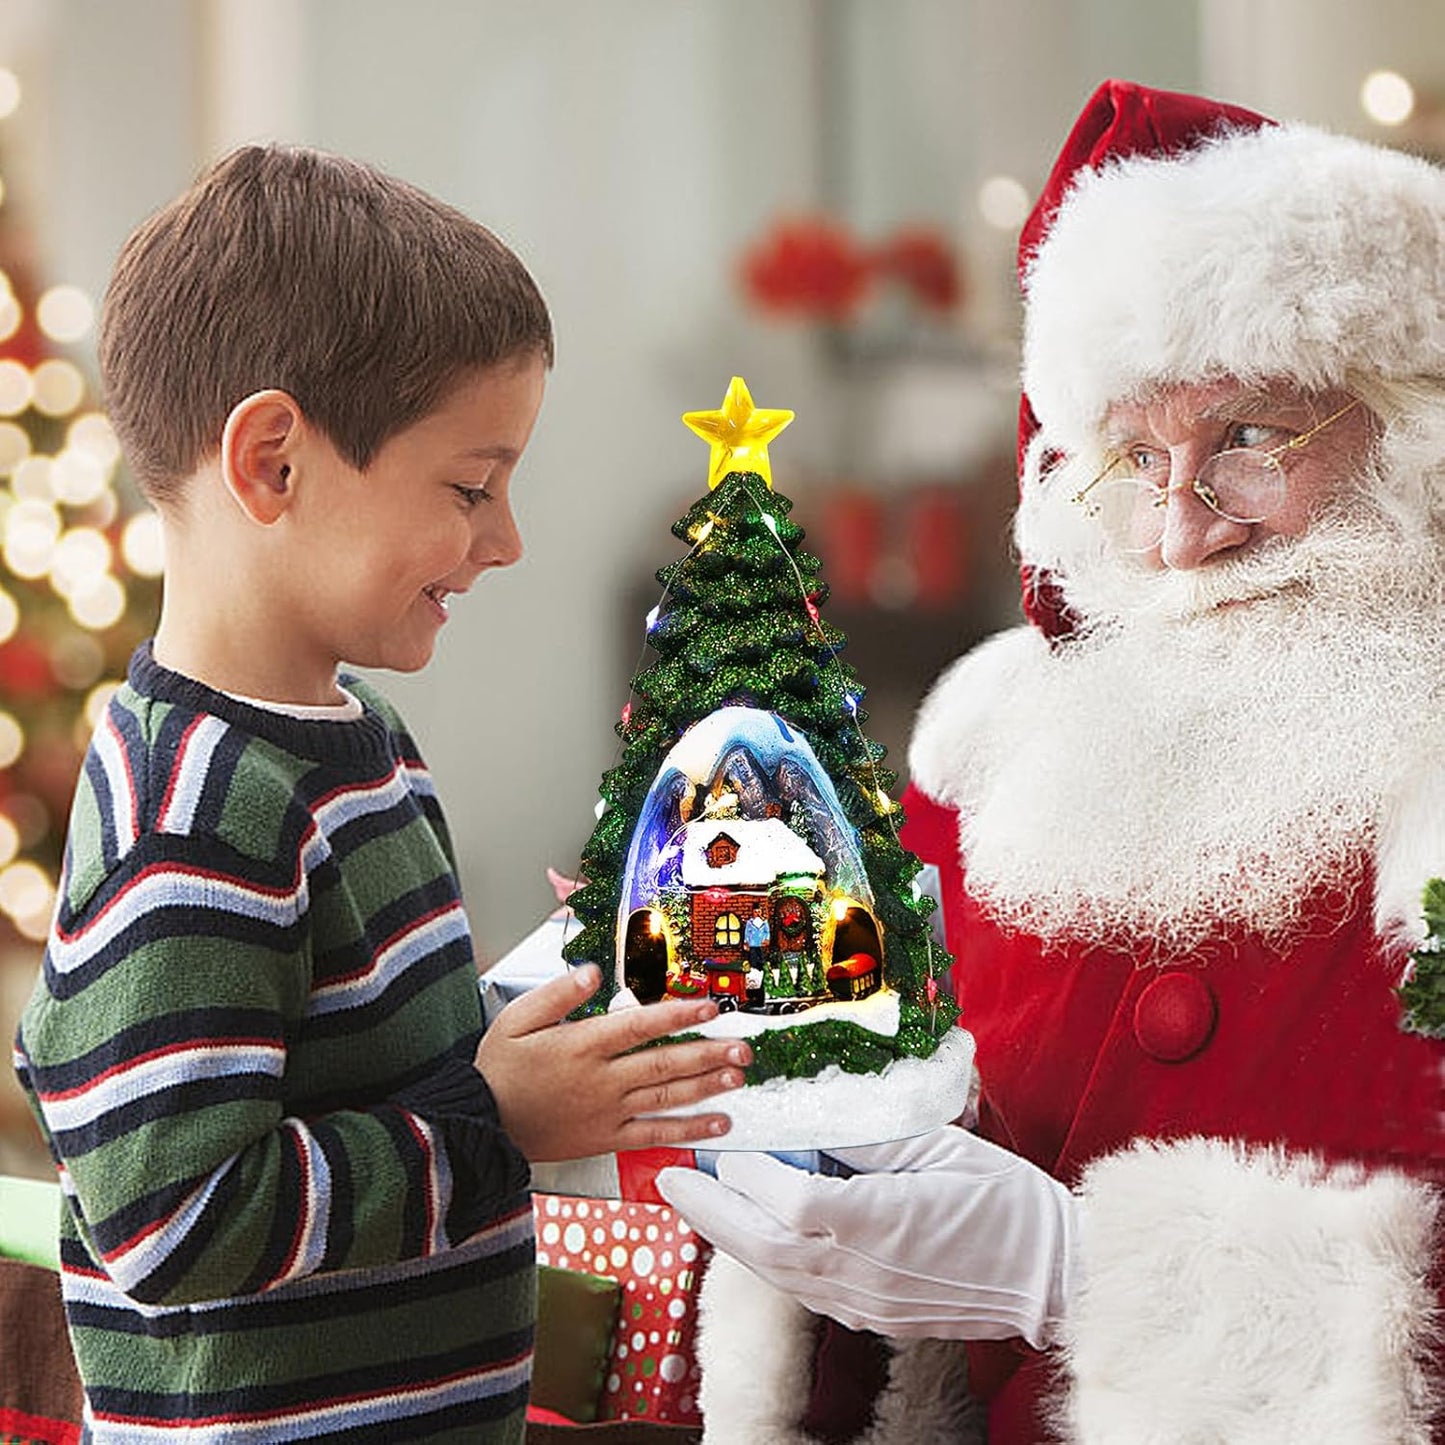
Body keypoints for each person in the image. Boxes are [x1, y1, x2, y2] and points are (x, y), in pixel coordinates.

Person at [659, 79, 1445, 1444]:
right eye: (1133, 455)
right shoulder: (985, 750)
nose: (1177, 535)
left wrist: (1072, 1274)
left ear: (1412, 437)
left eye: (1251, 439)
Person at [12, 144, 750, 1444]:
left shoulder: (362, 740)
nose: (506, 536)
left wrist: (564, 980)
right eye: (470, 486)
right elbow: (174, 1221)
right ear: (275, 464)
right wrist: (495, 1120)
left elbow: (382, 1054)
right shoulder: (197, 811)